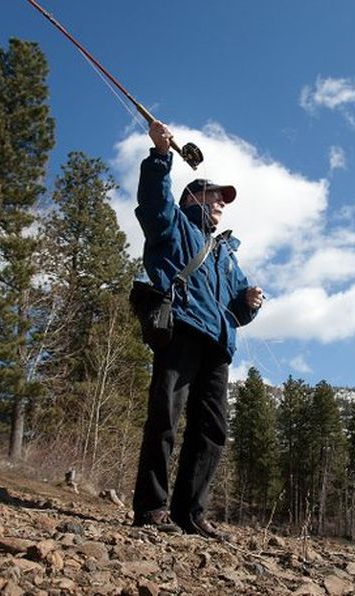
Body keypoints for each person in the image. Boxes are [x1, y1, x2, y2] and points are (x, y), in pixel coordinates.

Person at [131, 120, 263, 539]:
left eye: (225, 199)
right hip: (182, 330)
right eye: (214, 196)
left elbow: (236, 313)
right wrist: (160, 156)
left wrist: (248, 304)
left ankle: (191, 513)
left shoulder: (228, 256)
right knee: (164, 419)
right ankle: (151, 509)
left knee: (213, 431)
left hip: (218, 346)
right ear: (193, 198)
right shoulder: (175, 227)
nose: (222, 203)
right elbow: (153, 203)